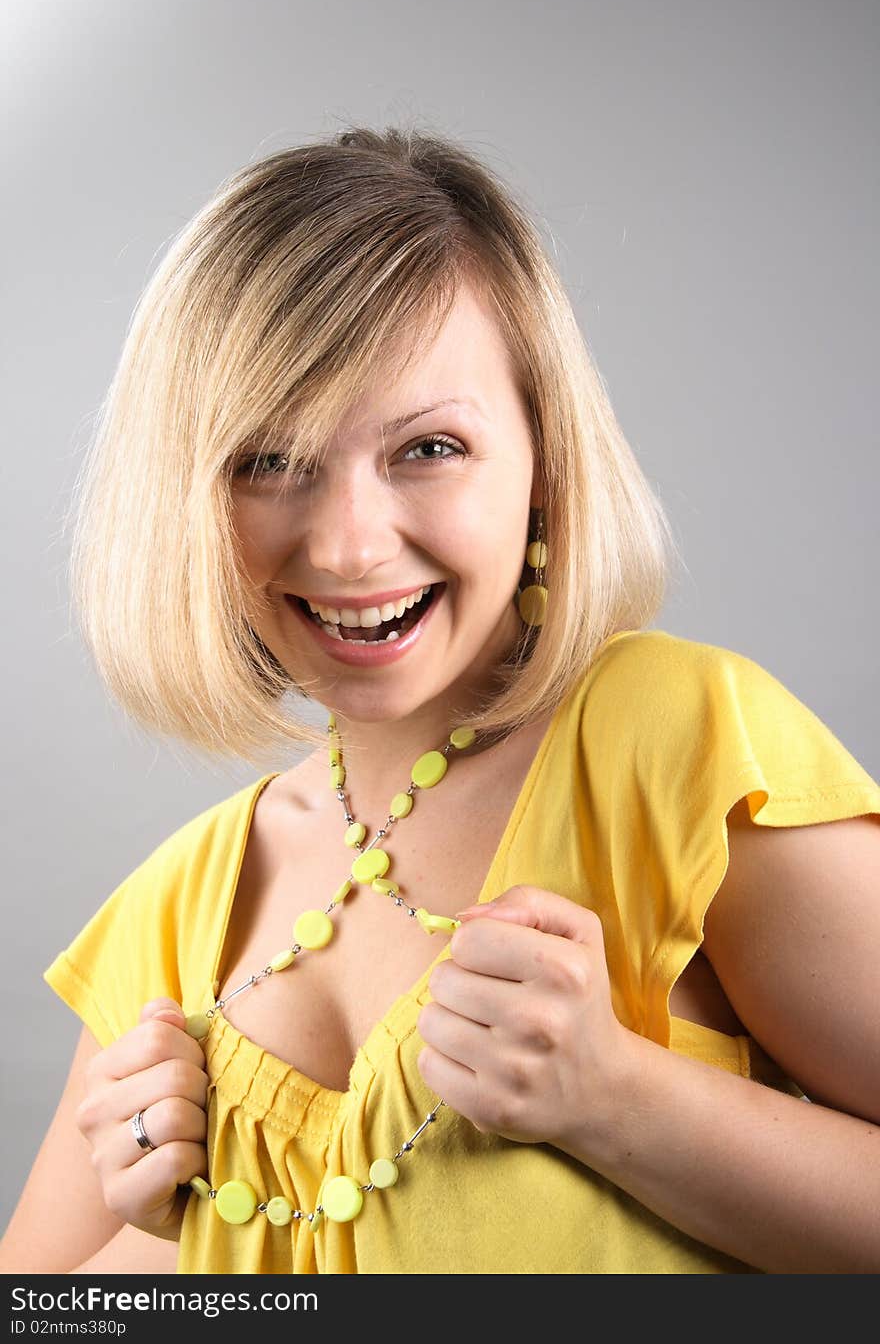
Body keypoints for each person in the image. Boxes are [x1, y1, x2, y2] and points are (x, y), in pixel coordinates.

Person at [2, 125, 879, 1277]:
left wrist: (618, 1099)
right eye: (267, 460)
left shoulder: (679, 747)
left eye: (427, 446)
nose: (351, 543)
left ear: (544, 463)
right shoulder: (171, 915)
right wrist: (147, 1231)